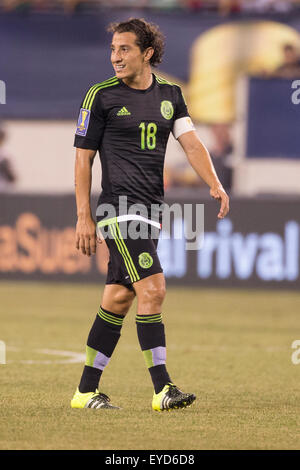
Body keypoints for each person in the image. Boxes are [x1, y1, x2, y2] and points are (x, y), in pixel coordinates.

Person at [71, 18, 229, 411]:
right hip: (116, 210)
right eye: (112, 49)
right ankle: (163, 389)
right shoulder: (100, 96)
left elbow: (191, 144)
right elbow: (82, 159)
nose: (115, 57)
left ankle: (85, 392)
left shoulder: (172, 95)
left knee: (119, 297)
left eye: (124, 49)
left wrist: (214, 183)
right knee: (153, 289)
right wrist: (83, 216)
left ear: (148, 53)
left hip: (151, 211)